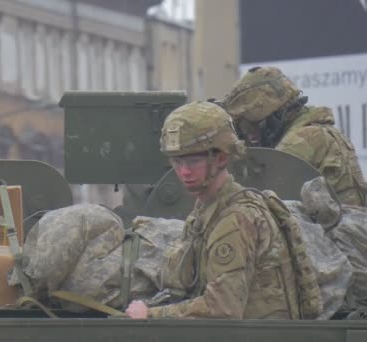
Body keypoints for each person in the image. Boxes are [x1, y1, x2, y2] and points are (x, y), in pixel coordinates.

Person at [126, 101, 307, 319]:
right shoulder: (207, 210)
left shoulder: (236, 219)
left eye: (193, 161)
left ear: (221, 158)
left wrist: (152, 315)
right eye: (177, 161)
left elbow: (223, 309)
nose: (184, 172)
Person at [223, 66, 366, 206]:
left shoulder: (301, 141)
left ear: (270, 115)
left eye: (250, 125)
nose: (249, 136)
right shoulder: (322, 131)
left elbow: (266, 204)